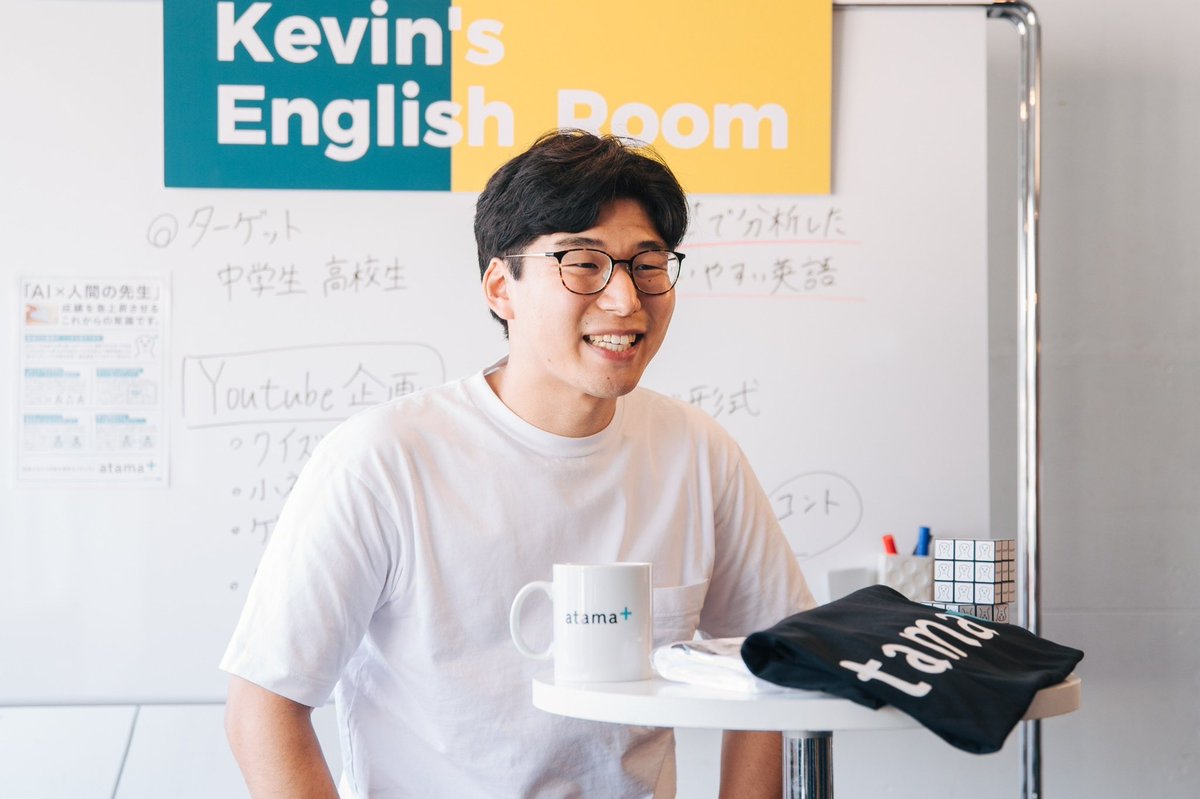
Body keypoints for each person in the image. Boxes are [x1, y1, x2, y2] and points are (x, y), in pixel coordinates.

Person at [221, 130, 815, 799]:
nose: (625, 299)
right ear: (502, 287)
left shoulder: (698, 453)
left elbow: (780, 662)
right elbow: (262, 705)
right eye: (583, 263)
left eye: (648, 264)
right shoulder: (383, 460)